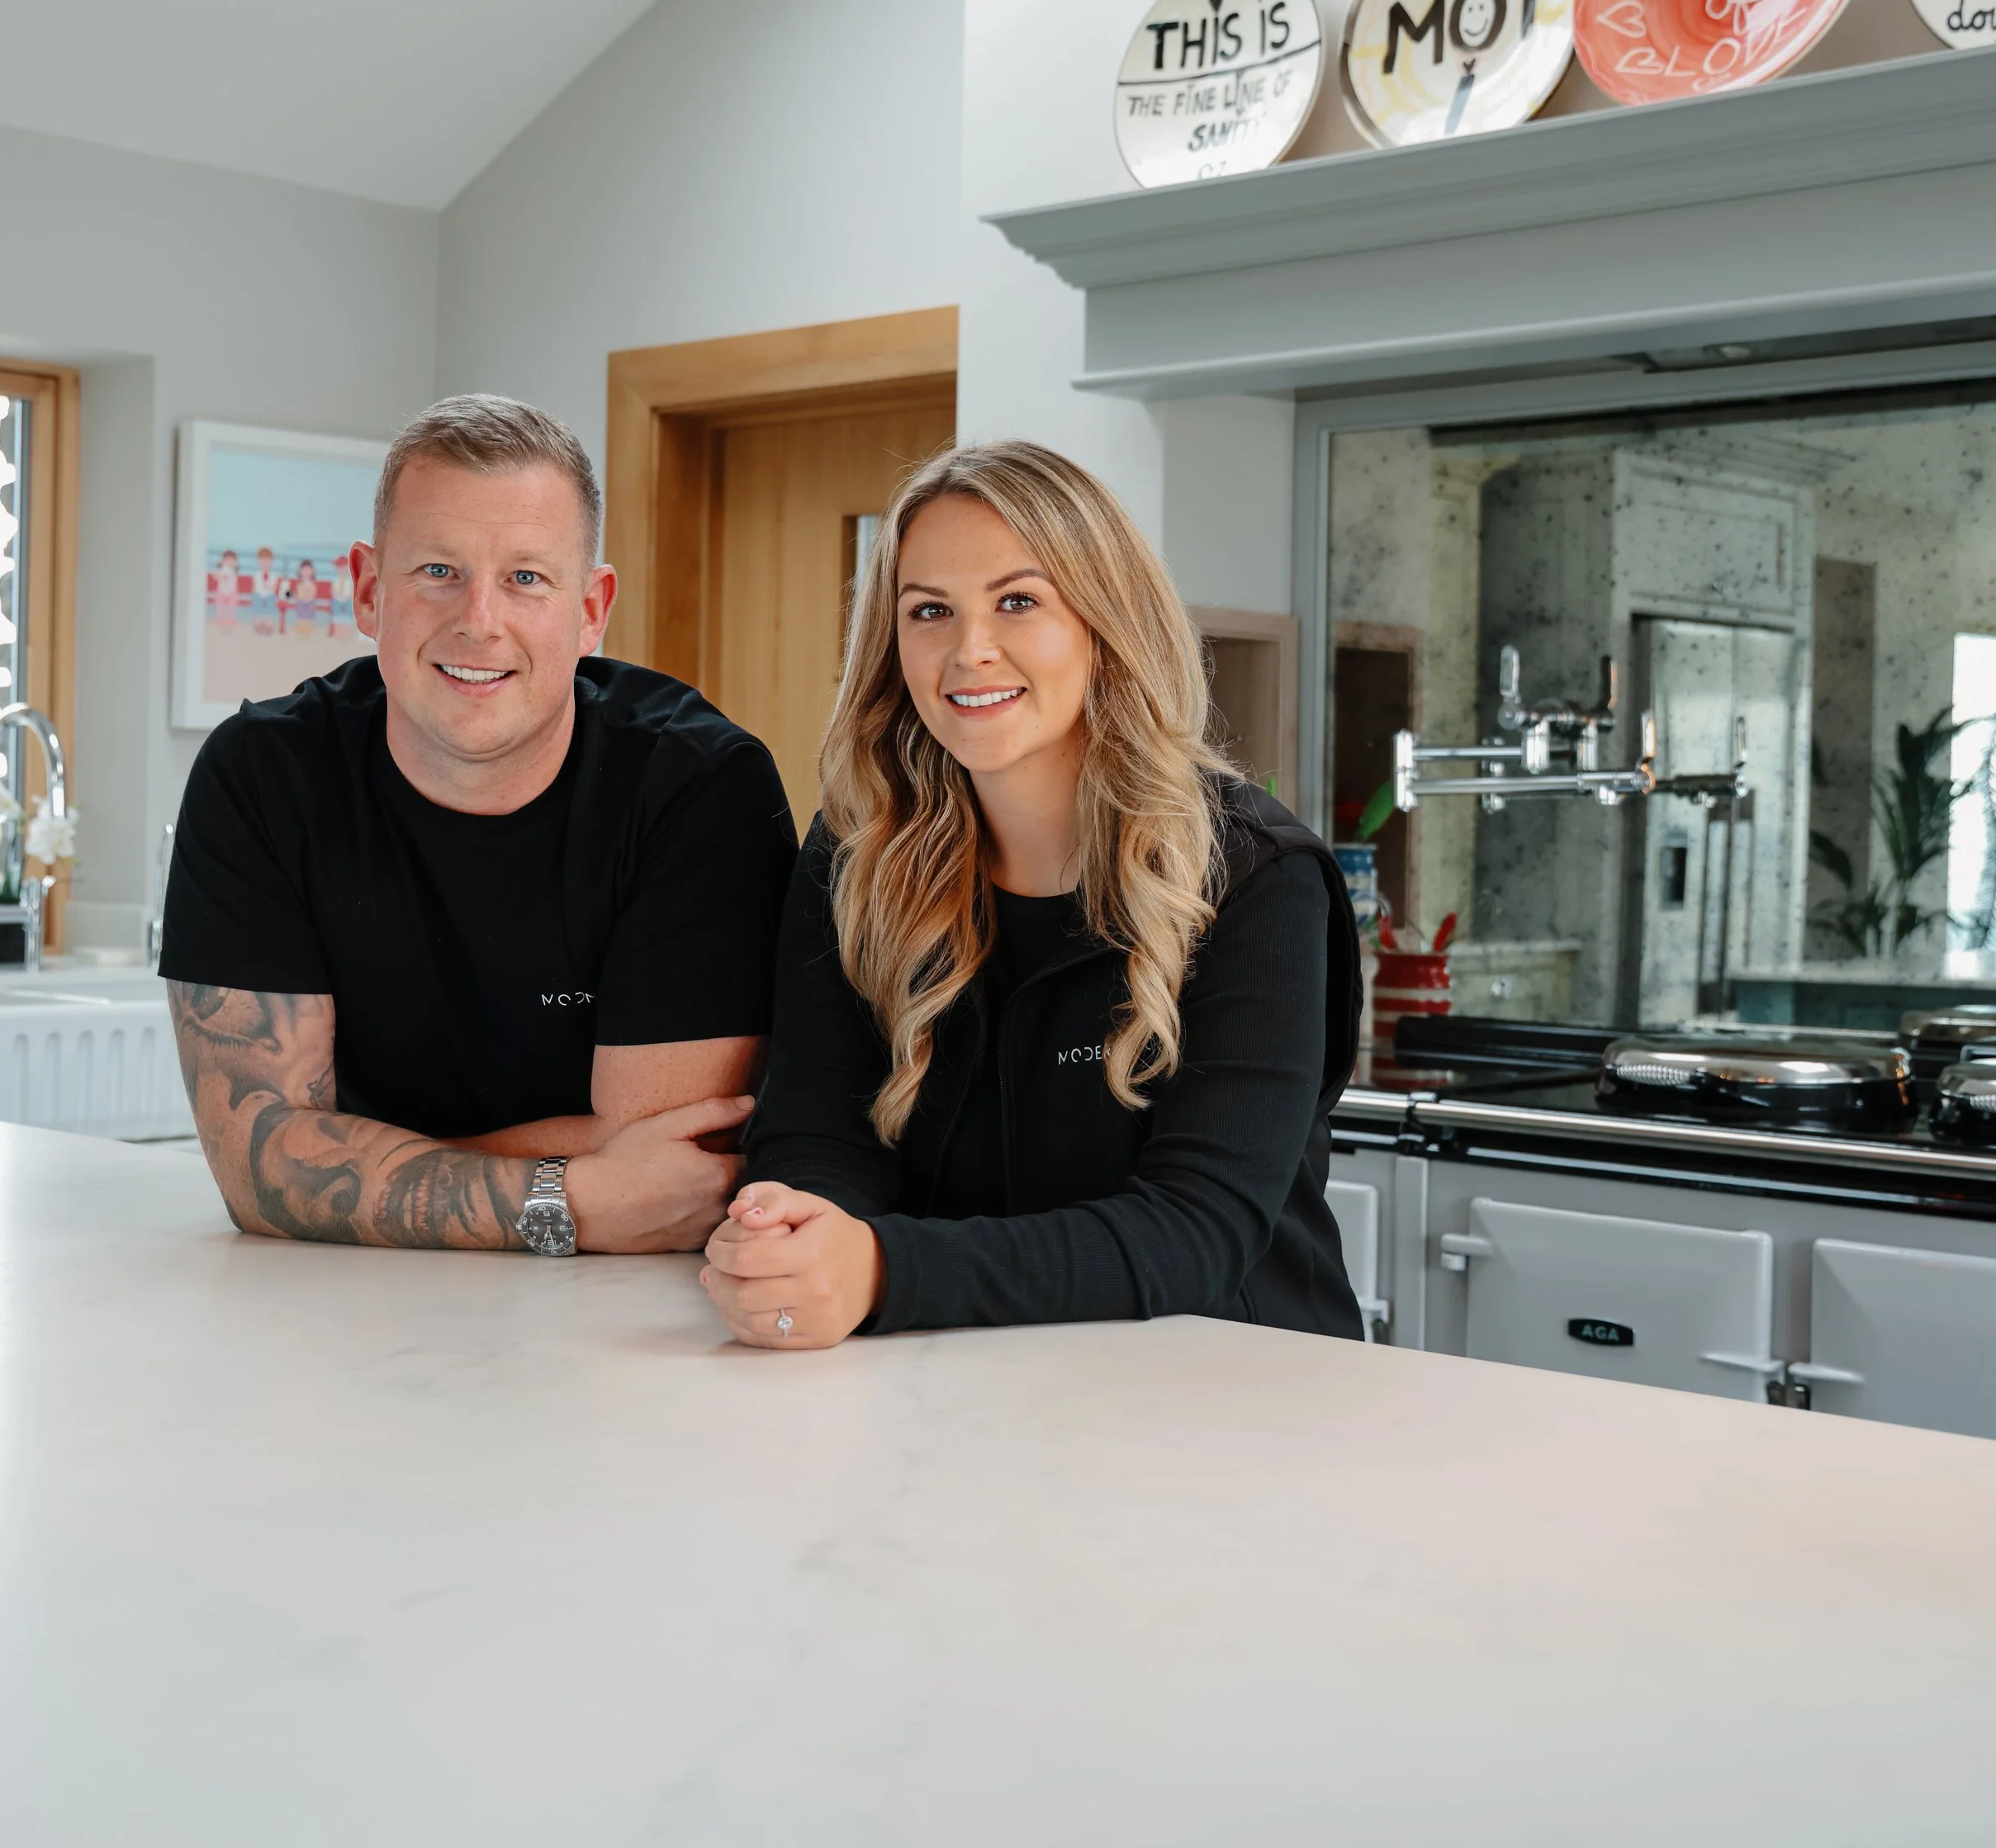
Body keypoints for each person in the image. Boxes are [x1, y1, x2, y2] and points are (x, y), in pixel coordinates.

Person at [703, 440, 1361, 1348]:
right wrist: (799, 1235)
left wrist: (883, 1271)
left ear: (1104, 621)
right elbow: (819, 1132)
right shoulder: (857, 853)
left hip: (1228, 1385)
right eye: (929, 610)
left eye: (1018, 601)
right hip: (956, 1381)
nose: (969, 650)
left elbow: (1197, 1232)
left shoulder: (1257, 875)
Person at [163, 394, 797, 1256]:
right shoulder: (261, 778)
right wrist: (573, 1193)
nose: (478, 620)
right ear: (368, 589)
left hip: (620, 1308)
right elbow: (259, 1172)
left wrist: (338, 1162)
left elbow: (671, 1175)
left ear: (592, 609)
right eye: (438, 571)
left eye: (526, 578)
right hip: (338, 1299)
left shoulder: (699, 788)